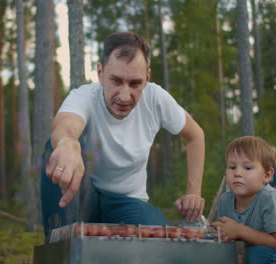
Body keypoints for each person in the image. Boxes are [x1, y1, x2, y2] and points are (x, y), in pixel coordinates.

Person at [41, 32, 206, 237]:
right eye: (116, 81)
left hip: (128, 202)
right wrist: (67, 142)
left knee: (162, 240)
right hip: (84, 197)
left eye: (135, 83)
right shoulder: (84, 96)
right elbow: (66, 124)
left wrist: (193, 192)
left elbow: (195, 135)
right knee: (55, 150)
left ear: (147, 78)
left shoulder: (156, 99)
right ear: (100, 73)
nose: (125, 96)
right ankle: (57, 245)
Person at [211, 136, 276, 264]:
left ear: (267, 175)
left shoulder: (269, 198)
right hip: (246, 258)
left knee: (258, 254)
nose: (237, 173)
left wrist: (238, 230)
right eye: (232, 167)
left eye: (247, 168)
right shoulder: (225, 200)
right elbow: (227, 239)